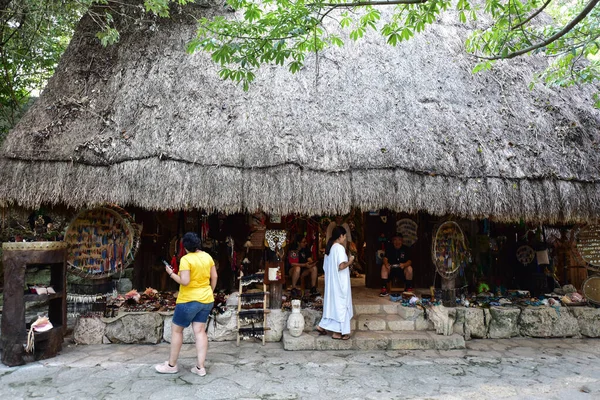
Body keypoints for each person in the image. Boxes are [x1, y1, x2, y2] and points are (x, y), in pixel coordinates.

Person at [155, 232, 218, 376]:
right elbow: (214, 276)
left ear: (185, 246)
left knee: (177, 330)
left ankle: (171, 365)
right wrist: (210, 291)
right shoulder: (207, 257)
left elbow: (185, 281)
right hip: (206, 300)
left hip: (188, 300)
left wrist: (171, 274)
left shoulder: (186, 259)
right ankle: (200, 367)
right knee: (200, 331)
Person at [317, 226, 354, 340]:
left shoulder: (329, 249)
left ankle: (322, 326)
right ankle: (337, 332)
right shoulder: (339, 248)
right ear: (340, 236)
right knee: (341, 305)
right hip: (340, 282)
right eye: (344, 236)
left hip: (332, 283)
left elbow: (326, 267)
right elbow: (341, 266)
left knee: (333, 305)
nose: (345, 239)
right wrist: (350, 261)